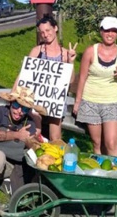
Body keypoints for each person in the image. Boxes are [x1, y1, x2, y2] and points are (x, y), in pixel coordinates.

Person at [0, 86, 46, 213]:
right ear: (10, 103)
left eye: (24, 108)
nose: (19, 111)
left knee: (31, 162)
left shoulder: (28, 122)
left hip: (11, 165)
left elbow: (31, 146)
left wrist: (32, 140)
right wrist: (17, 136)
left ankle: (20, 190)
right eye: (17, 106)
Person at [73, 16, 117, 157]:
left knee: (111, 142)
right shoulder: (90, 51)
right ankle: (100, 172)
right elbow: (82, 78)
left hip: (111, 101)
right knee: (96, 142)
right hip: (90, 100)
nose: (110, 34)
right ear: (101, 31)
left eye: (114, 31)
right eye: (107, 30)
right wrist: (78, 101)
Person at [20, 13, 77, 141]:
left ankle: (54, 160)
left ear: (55, 28)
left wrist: (70, 62)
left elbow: (71, 80)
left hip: (55, 101)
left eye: (48, 30)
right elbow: (24, 74)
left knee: (55, 137)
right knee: (35, 133)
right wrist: (15, 93)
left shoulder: (65, 54)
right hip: (36, 99)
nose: (45, 34)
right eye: (42, 32)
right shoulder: (36, 51)